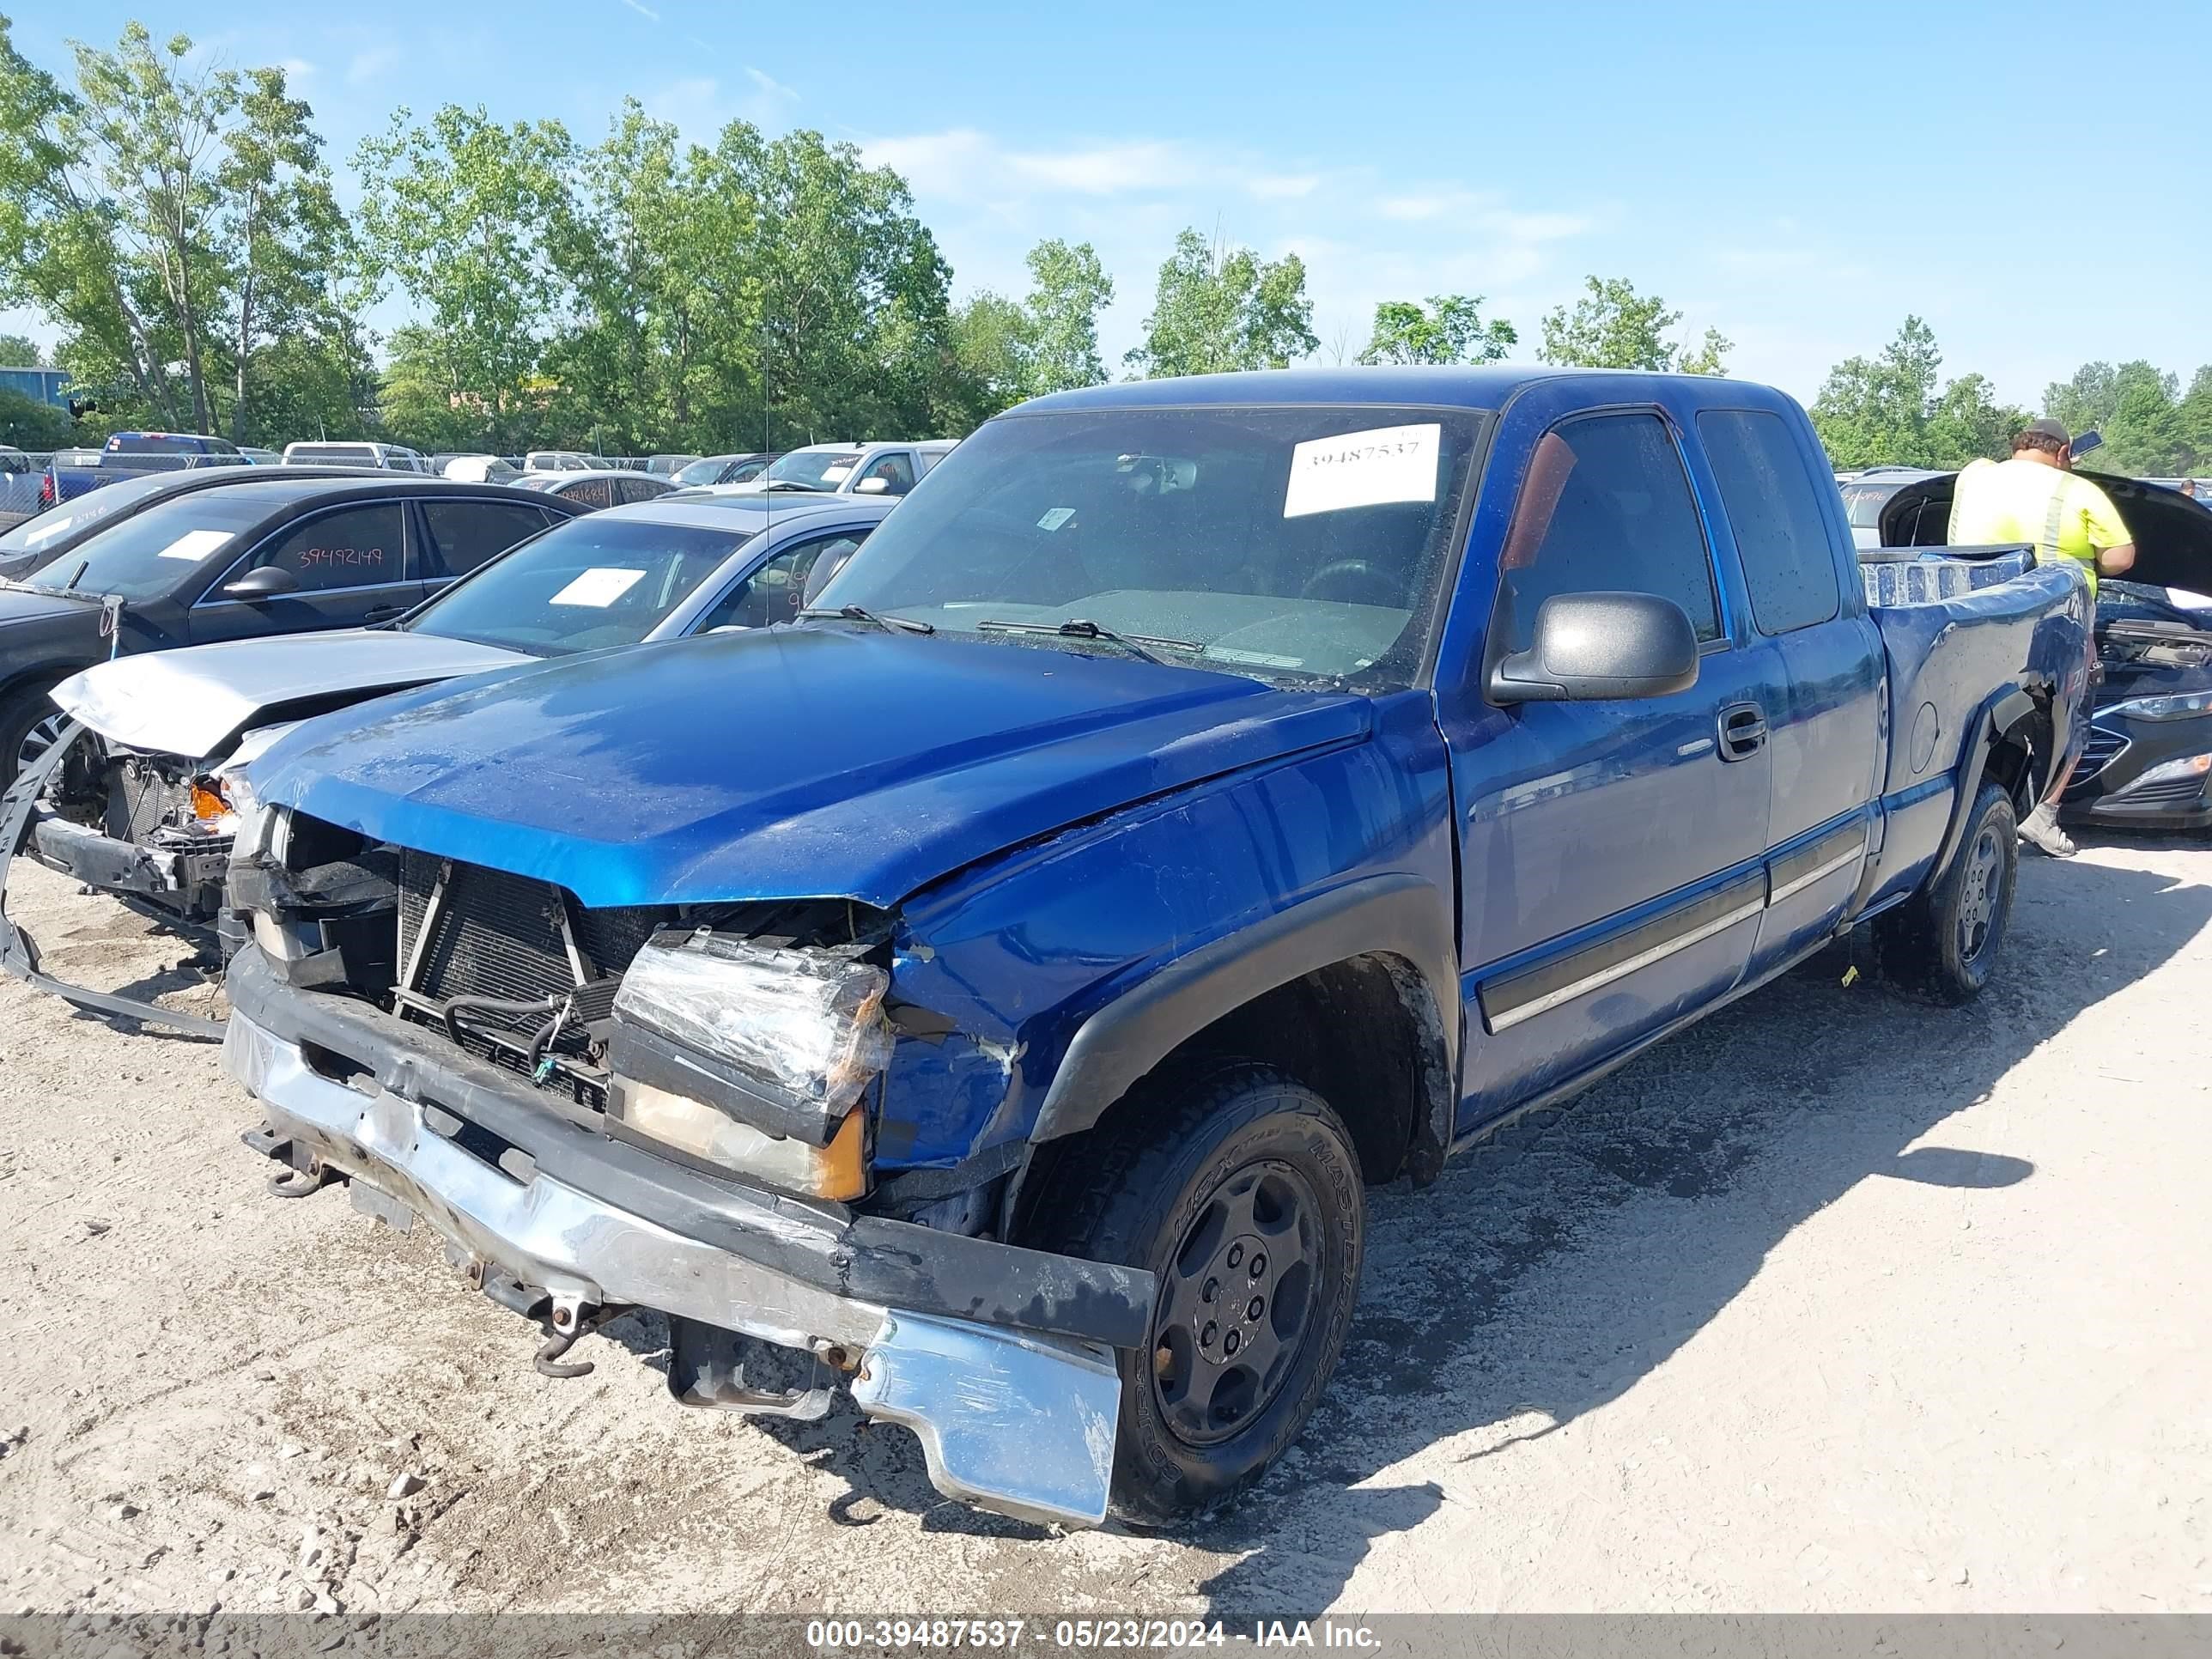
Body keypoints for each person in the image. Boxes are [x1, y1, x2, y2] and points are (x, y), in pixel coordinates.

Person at [1948, 418, 2136, 858]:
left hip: (1978, 616)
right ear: (2064, 452)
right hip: (2056, 622)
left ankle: (1967, 804)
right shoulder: (2078, 491)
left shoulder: (1974, 477)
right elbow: (2122, 557)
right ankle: (2042, 816)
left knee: (1980, 714)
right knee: (2070, 717)